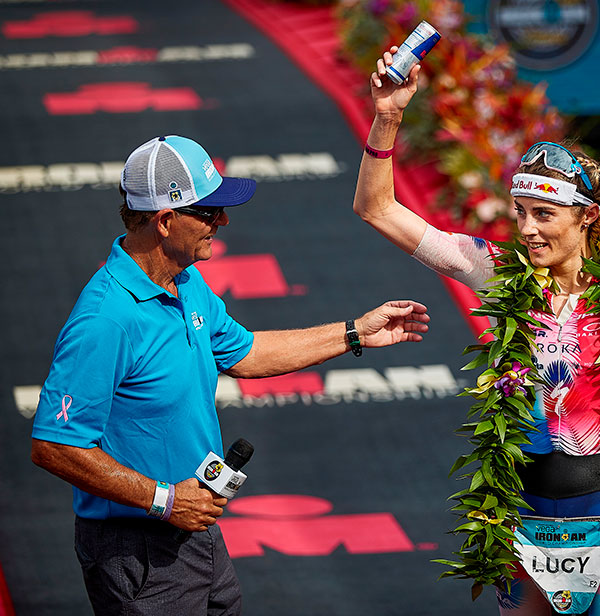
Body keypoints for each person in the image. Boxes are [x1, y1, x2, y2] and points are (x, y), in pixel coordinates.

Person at [353, 29, 600, 616]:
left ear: (586, 219)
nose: (528, 229)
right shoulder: (496, 272)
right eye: (521, 212)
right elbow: (377, 209)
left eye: (545, 215)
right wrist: (386, 118)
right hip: (521, 518)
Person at [30, 135, 430, 616]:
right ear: (164, 221)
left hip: (193, 530)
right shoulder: (105, 320)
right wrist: (164, 499)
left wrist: (354, 333)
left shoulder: (184, 280)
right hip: (138, 546)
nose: (222, 220)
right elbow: (54, 444)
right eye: (209, 211)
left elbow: (246, 353)